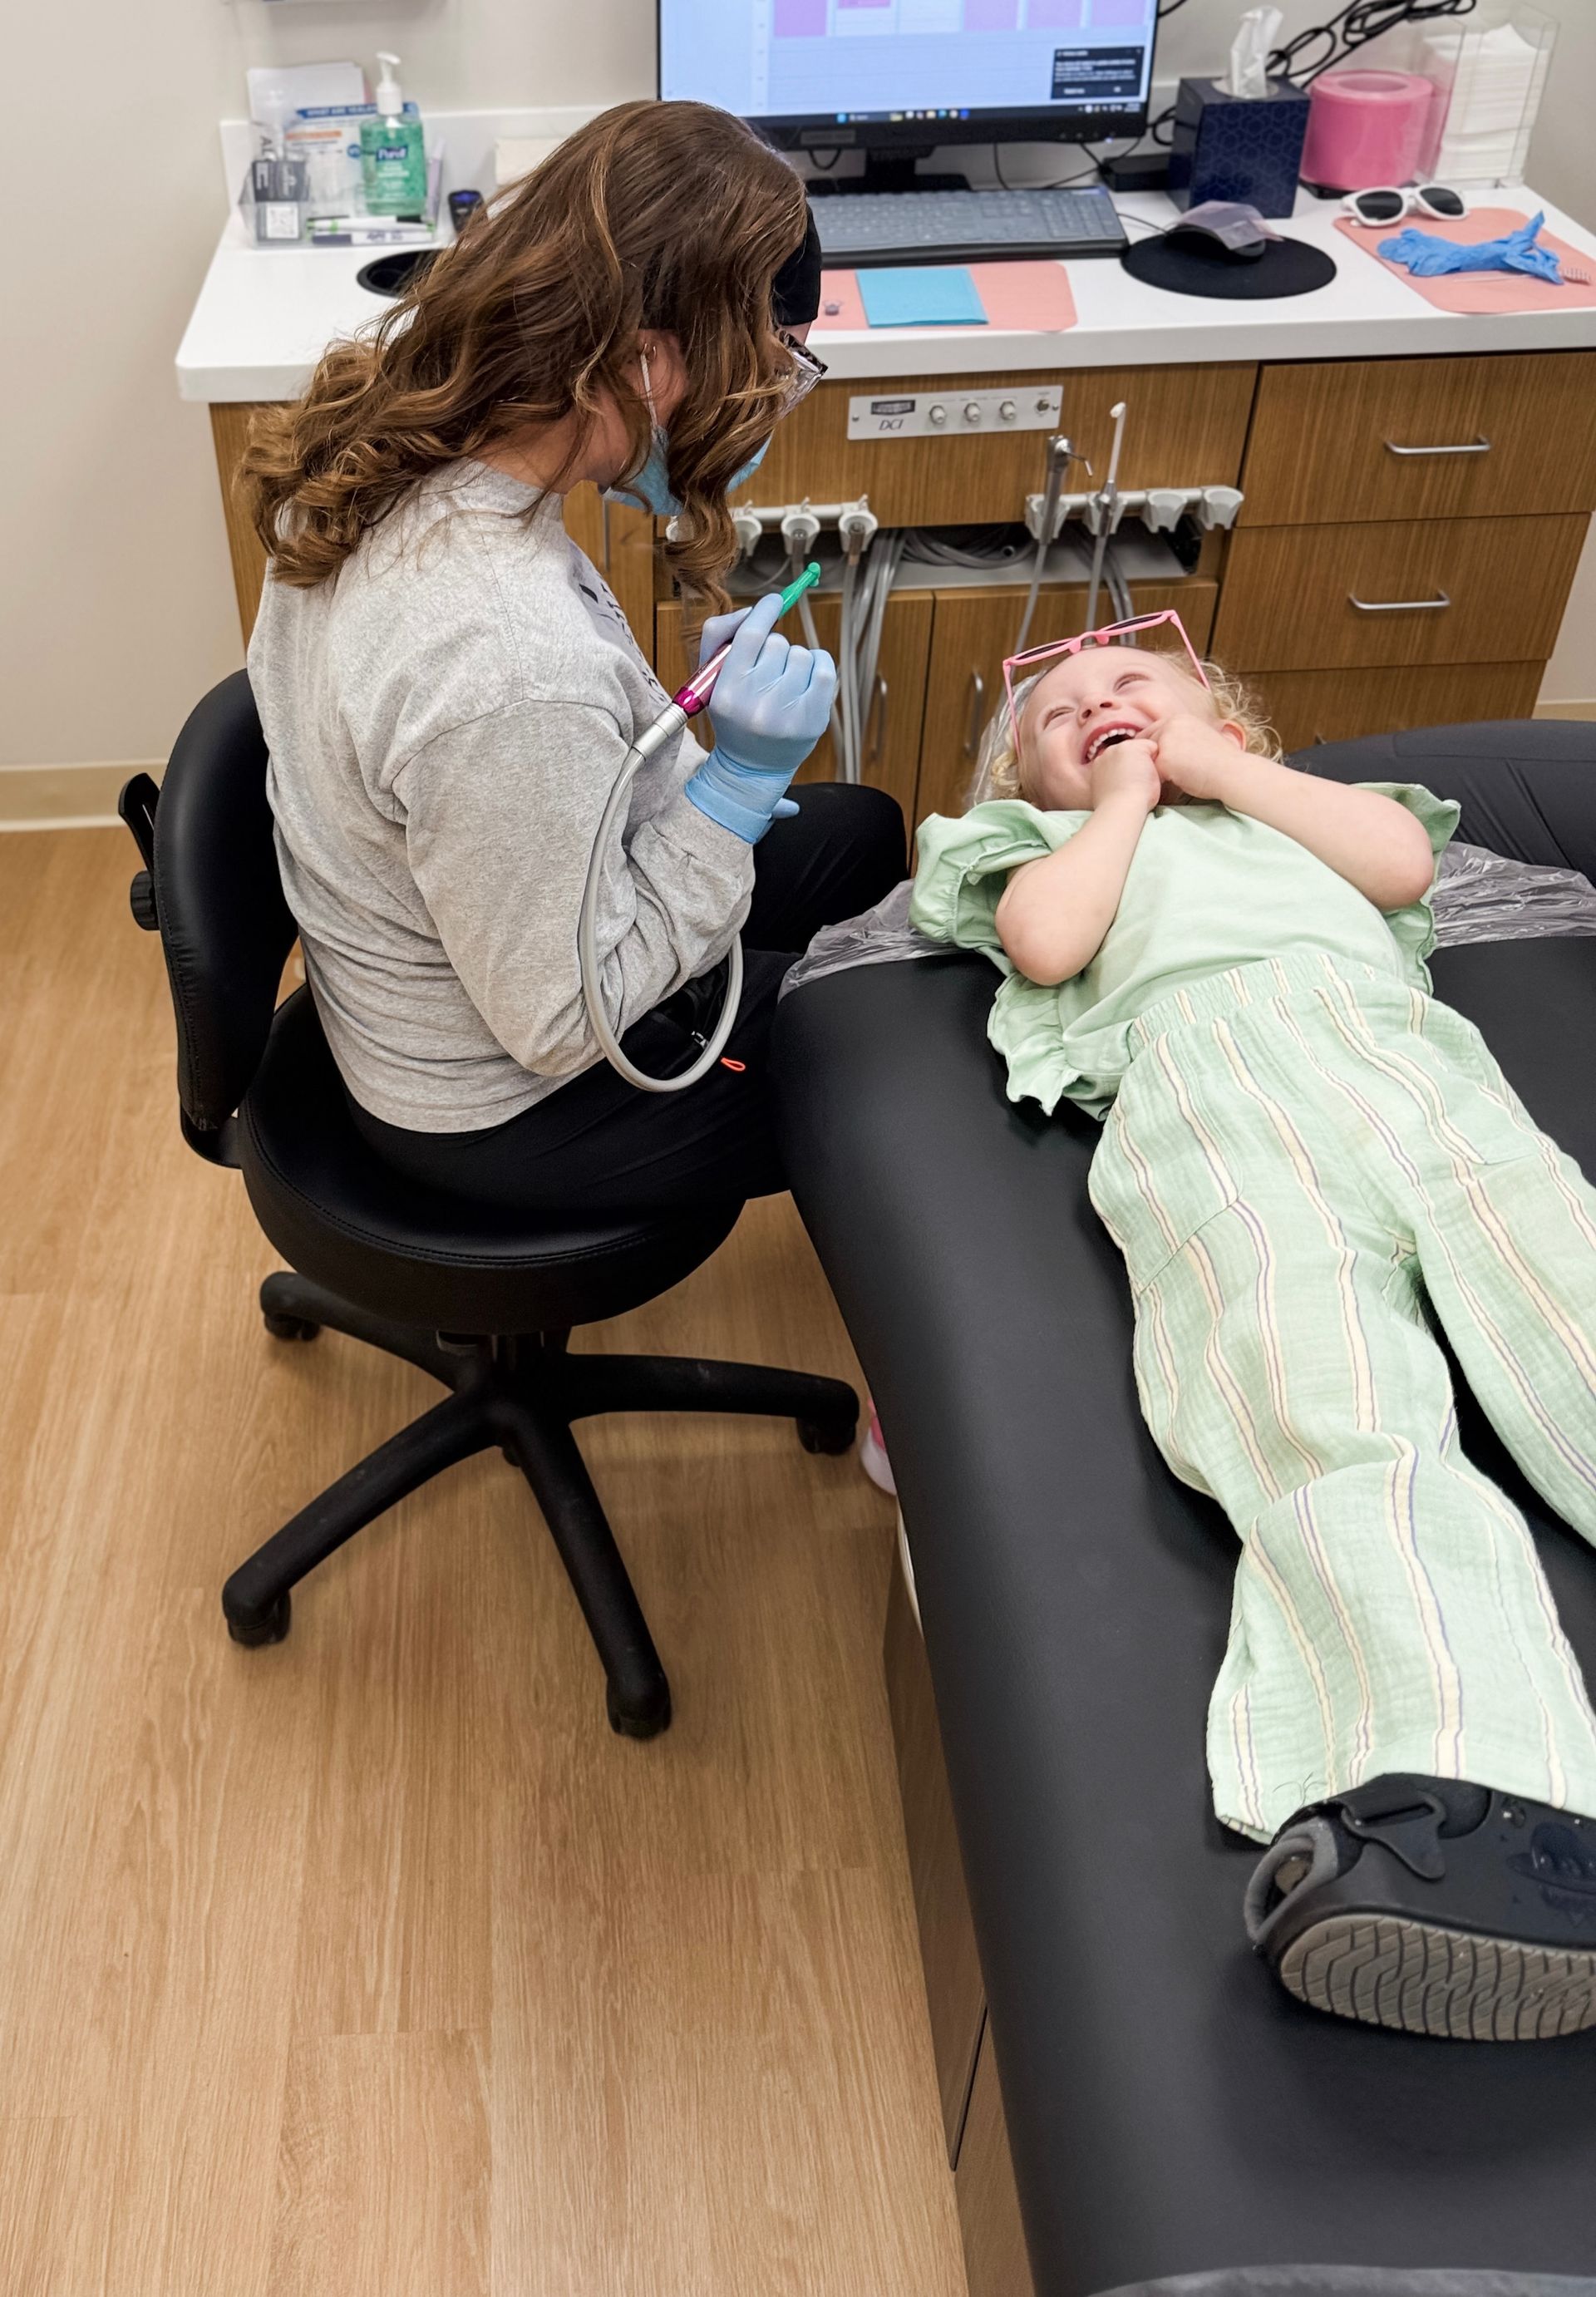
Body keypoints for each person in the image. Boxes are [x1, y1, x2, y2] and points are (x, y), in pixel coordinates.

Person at [909, 621, 1596, 2041]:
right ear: (1020, 780)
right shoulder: (1024, 852)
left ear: (1218, 706)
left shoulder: (1302, 812)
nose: (1098, 705)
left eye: (1133, 687)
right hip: (1205, 1106)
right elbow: (1045, 943)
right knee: (1322, 1417)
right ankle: (1471, 1810)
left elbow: (1402, 869)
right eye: (1058, 714)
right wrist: (1117, 803)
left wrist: (1223, 767)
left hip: (1404, 1069)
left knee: (1569, 1306)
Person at [241, 99, 904, 1215]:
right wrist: (729, 791)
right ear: (647, 361)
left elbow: (528, 759)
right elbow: (560, 1020)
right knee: (896, 1031)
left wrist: (674, 755)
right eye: (773, 364)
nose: (775, 400)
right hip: (505, 1103)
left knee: (862, 836)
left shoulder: (396, 449)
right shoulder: (501, 656)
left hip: (436, 954)